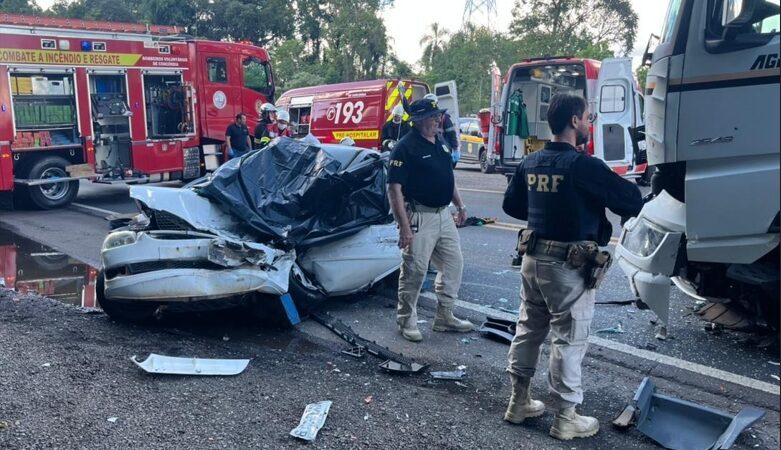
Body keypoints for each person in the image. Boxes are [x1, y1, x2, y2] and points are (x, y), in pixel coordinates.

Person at [501, 93, 642, 440]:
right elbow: (631, 199)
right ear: (574, 121)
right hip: (568, 267)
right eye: (588, 118)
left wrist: (549, 209)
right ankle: (566, 417)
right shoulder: (584, 165)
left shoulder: (530, 163)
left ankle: (518, 402)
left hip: (532, 260)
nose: (590, 123)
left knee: (529, 329)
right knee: (568, 339)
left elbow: (511, 205)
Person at [387, 97, 473, 343]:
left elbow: (448, 177)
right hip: (419, 216)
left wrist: (459, 204)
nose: (439, 119)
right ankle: (406, 320)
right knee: (415, 270)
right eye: (434, 117)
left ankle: (444, 316)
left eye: (438, 116)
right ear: (420, 120)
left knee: (454, 264)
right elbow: (394, 189)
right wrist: (404, 227)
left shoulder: (441, 142)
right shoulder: (405, 147)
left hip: (443, 215)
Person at [423, 93, 460, 165]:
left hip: (441, 149)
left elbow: (451, 133)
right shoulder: (421, 118)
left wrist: (455, 149)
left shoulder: (444, 117)